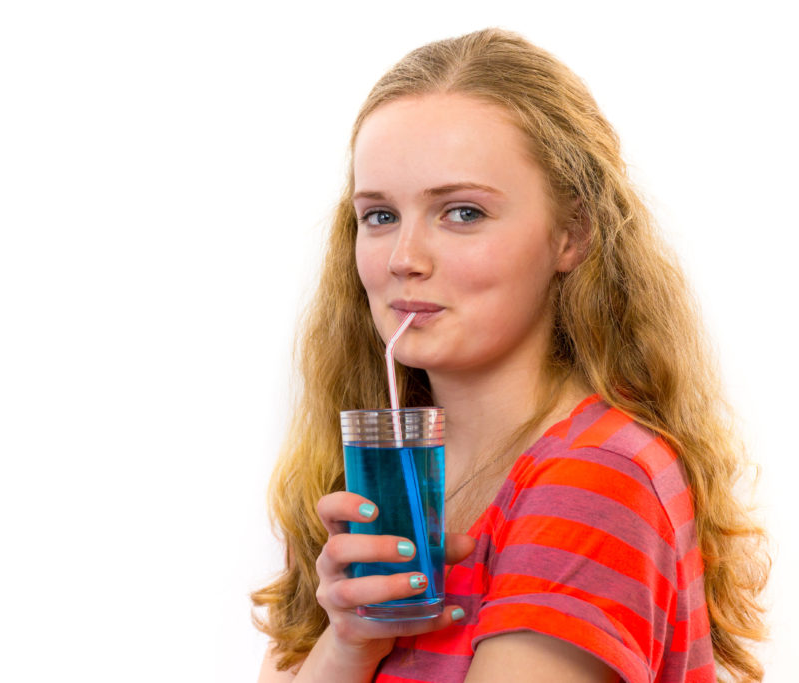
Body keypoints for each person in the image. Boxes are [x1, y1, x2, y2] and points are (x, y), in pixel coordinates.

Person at [251, 28, 770, 683]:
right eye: (379, 216)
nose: (403, 258)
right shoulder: (374, 486)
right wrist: (347, 644)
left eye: (462, 212)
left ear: (571, 234)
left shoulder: (593, 478)